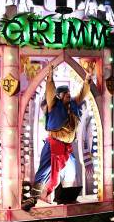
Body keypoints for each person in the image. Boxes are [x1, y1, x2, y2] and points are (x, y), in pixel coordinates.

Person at [25, 66, 91, 208]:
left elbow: (82, 94)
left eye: (68, 92)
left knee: (71, 172)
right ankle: (33, 198)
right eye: (65, 93)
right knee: (44, 171)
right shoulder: (54, 105)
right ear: (59, 95)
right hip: (53, 145)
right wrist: (50, 78)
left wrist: (87, 80)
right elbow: (50, 92)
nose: (68, 94)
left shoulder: (73, 105)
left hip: (67, 148)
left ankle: (66, 198)